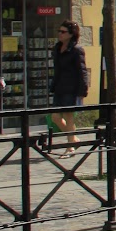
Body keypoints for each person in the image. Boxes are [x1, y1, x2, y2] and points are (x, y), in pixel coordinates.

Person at [48, 21, 90, 150]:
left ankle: (70, 146)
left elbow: (82, 71)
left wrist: (83, 90)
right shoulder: (57, 48)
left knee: (68, 116)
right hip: (59, 87)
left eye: (63, 32)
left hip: (71, 88)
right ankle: (73, 139)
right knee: (55, 117)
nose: (60, 34)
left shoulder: (76, 50)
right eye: (59, 31)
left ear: (71, 34)